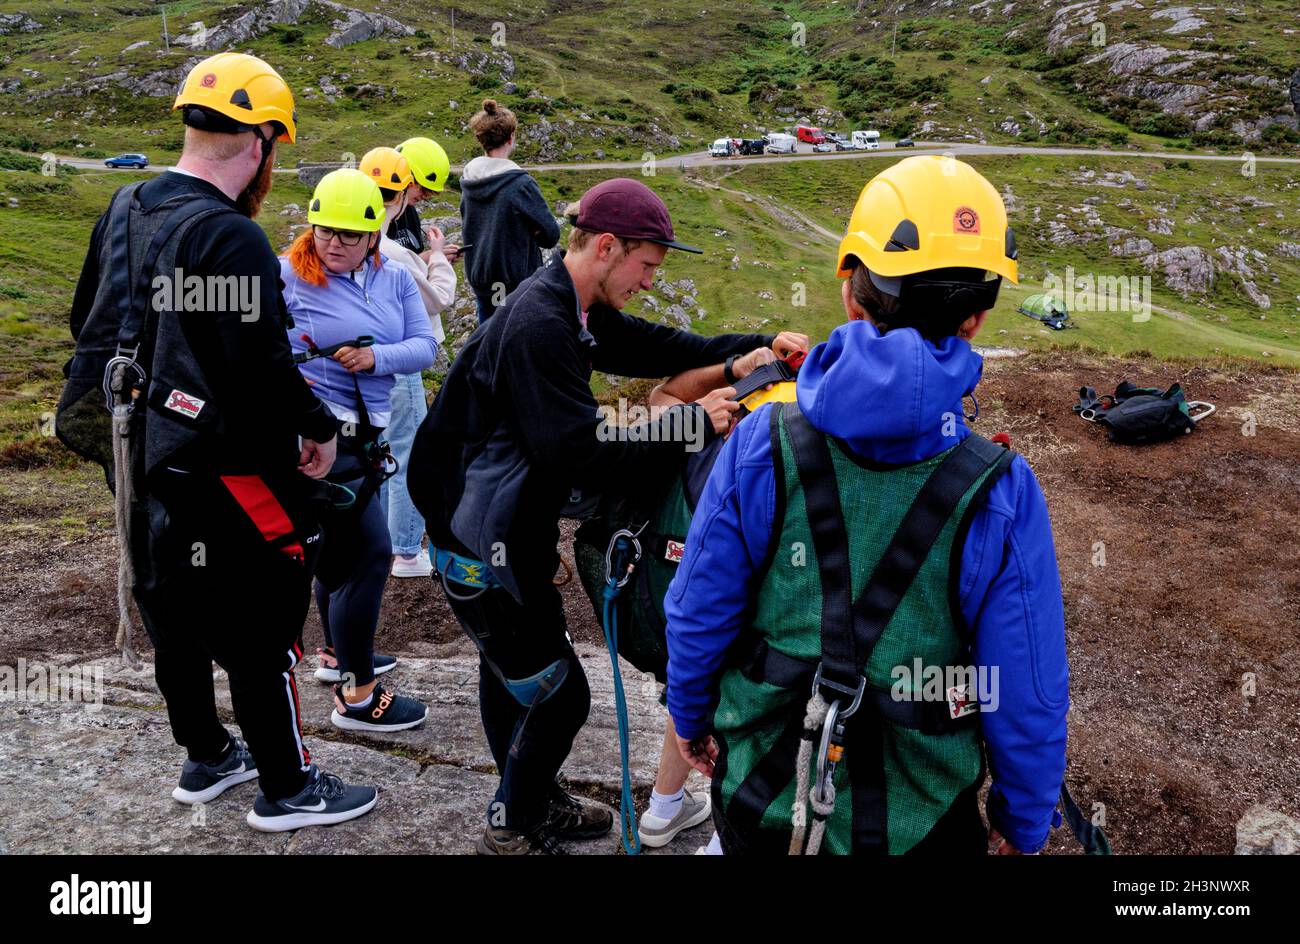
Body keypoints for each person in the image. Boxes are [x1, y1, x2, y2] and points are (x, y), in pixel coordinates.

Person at [664, 155, 1069, 855]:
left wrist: (690, 713)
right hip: (920, 826)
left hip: (761, 802)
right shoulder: (1000, 487)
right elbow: (1025, 686)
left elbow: (699, 605)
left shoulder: (765, 440)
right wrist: (1022, 819)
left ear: (853, 291)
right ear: (975, 319)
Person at [408, 176, 808, 854]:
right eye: (647, 265)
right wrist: (688, 423)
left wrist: (747, 347)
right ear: (606, 246)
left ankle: (528, 797)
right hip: (479, 542)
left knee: (508, 675)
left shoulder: (573, 305)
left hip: (492, 527)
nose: (651, 281)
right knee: (562, 699)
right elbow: (575, 453)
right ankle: (510, 825)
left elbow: (654, 345)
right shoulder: (541, 323)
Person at [58, 52, 377, 832]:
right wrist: (320, 430)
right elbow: (260, 369)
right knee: (260, 621)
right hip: (219, 464)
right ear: (263, 140)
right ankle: (288, 786)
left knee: (172, 603)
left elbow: (86, 326)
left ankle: (206, 753)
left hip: (139, 454)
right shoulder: (230, 236)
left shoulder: (126, 207)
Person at [280, 168, 438, 732]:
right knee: (368, 556)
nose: (334, 243)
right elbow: (259, 355)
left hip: (367, 438)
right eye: (325, 230)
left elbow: (427, 346)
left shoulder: (393, 277)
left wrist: (375, 359)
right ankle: (357, 694)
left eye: (349, 234)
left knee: (341, 556)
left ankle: (337, 658)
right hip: (317, 441)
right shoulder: (287, 279)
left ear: (375, 234)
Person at [359, 145, 456, 579]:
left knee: (373, 454)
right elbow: (439, 298)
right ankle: (404, 551)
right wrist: (436, 259)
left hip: (361, 366)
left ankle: (375, 541)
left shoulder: (346, 241)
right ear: (398, 196)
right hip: (399, 364)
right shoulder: (391, 250)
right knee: (408, 455)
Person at [458, 99, 560, 322]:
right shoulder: (520, 184)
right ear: (511, 136)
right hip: (514, 283)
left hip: (482, 279)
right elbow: (551, 234)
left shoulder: (469, 179)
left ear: (480, 139)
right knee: (512, 343)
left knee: (488, 340)